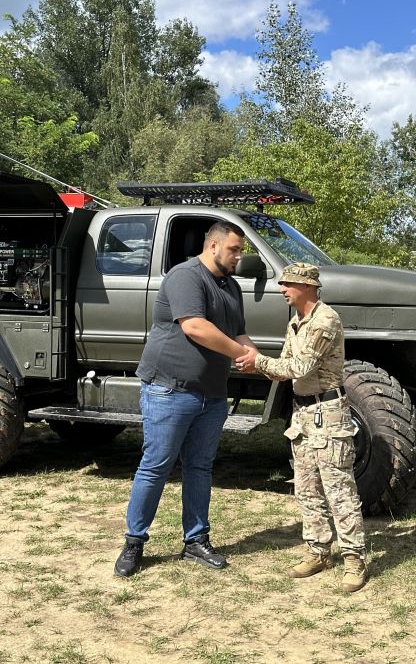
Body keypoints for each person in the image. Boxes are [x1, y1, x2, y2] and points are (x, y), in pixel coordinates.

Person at [114, 220, 254, 577]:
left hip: (212, 393)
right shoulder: (186, 276)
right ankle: (134, 543)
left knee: (200, 467)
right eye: (234, 249)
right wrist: (240, 352)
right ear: (213, 246)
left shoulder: (231, 286)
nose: (238, 256)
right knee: (157, 466)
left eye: (240, 251)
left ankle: (195, 541)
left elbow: (238, 331)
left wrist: (259, 358)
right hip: (170, 388)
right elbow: (195, 326)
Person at [235, 262, 367, 592]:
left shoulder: (325, 321)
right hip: (303, 414)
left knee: (339, 490)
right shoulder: (296, 321)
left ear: (308, 286)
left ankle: (354, 559)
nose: (282, 289)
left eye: (288, 284)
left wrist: (257, 361)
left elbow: (299, 366)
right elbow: (283, 369)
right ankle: (318, 551)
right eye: (282, 283)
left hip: (328, 413)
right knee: (306, 488)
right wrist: (261, 365)